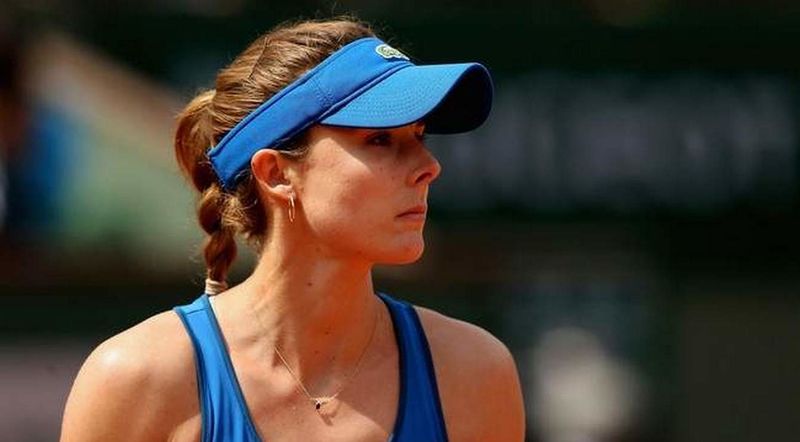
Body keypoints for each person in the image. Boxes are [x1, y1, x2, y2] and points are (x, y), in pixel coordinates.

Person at [60, 17, 525, 442]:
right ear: (276, 174)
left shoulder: (474, 374)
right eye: (380, 139)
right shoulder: (136, 379)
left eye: (419, 135)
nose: (429, 166)